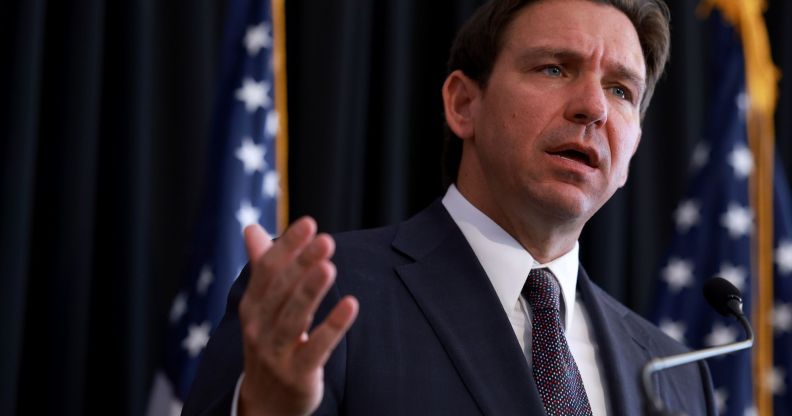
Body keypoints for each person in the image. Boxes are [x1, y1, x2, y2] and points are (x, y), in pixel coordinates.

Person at [184, 0, 716, 414]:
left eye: (621, 90)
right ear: (464, 103)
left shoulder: (676, 371)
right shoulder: (322, 296)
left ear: (632, 152)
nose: (594, 107)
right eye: (555, 68)